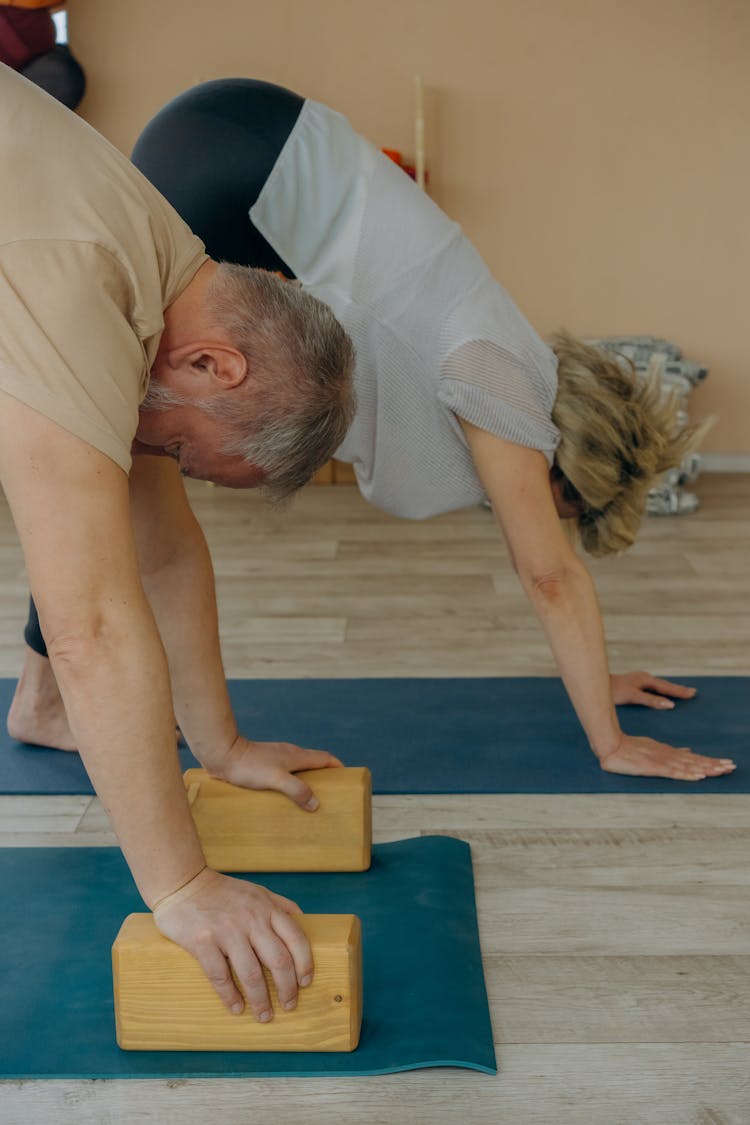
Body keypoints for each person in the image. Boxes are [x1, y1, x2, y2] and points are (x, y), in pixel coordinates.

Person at [10, 77, 735, 788]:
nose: (533, 517)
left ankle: (47, 698)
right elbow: (548, 575)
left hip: (233, 136)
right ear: (561, 468)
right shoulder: (503, 379)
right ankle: (52, 698)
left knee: (128, 446)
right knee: (122, 455)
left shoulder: (496, 361)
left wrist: (595, 673)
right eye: (559, 510)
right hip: (242, 158)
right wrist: (610, 743)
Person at [0, 65, 356, 1019]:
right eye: (189, 452)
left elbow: (162, 549)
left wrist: (221, 744)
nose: (163, 461)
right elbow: (90, 628)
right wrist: (182, 885)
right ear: (216, 364)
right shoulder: (86, 280)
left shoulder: (158, 265)